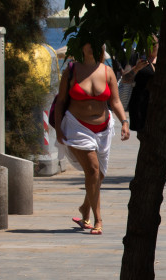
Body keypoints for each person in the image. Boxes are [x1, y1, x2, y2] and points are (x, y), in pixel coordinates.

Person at [52, 39, 130, 235]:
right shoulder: (71, 71)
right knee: (93, 171)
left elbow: (115, 101)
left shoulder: (107, 71)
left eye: (95, 44)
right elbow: (60, 102)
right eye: (88, 43)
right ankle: (98, 219)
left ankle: (85, 207)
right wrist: (59, 130)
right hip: (77, 126)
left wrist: (124, 122)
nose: (91, 46)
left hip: (103, 128)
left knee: (99, 175)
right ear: (82, 47)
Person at [120, 38, 166, 163]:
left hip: (160, 103)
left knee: (162, 131)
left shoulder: (164, 60)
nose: (151, 47)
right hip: (140, 104)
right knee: (145, 136)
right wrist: (136, 69)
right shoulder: (137, 59)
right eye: (147, 44)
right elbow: (125, 79)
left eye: (153, 44)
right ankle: (157, 158)